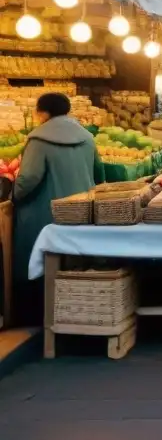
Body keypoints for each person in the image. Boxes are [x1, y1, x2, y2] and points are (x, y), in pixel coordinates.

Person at [13, 93, 100, 325]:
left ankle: (36, 316)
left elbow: (28, 178)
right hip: (80, 212)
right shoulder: (88, 138)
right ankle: (75, 312)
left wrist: (13, 195)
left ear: (43, 112)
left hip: (44, 214)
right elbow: (98, 174)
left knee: (37, 260)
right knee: (73, 263)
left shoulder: (39, 140)